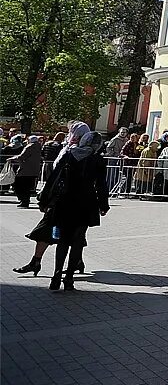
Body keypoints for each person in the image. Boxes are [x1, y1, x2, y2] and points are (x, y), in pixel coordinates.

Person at [42, 123, 110, 290]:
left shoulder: (70, 155)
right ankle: (69, 277)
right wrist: (103, 204)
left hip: (65, 200)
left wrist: (44, 199)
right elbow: (101, 185)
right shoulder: (97, 160)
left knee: (63, 240)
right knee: (77, 239)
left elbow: (54, 178)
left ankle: (57, 273)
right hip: (86, 201)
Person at [7, 135, 43, 208]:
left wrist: (12, 158)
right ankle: (25, 201)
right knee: (28, 187)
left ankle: (23, 201)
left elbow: (22, 156)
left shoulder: (29, 147)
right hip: (34, 170)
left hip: (25, 170)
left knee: (19, 185)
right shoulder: (39, 147)